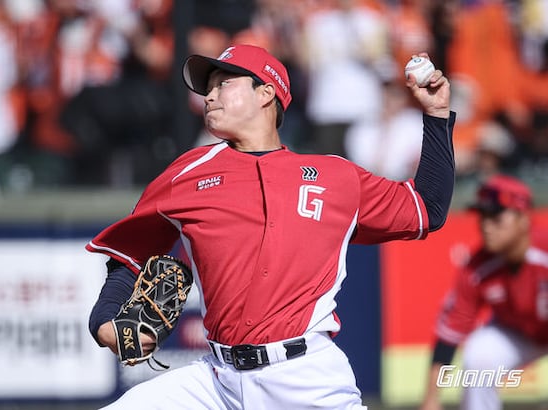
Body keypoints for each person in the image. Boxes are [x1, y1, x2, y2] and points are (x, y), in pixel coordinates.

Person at [87, 44, 455, 409]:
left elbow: (427, 208)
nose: (209, 97)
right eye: (207, 89)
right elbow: (128, 253)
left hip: (305, 378)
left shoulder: (336, 176)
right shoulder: (187, 173)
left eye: (223, 84)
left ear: (266, 93)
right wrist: (104, 321)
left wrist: (437, 115)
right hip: (216, 382)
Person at [419, 174, 548, 410]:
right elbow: (451, 332)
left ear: (523, 219)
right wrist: (431, 399)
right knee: (479, 356)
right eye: (483, 216)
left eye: (496, 216)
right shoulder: (478, 267)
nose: (486, 226)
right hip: (519, 333)